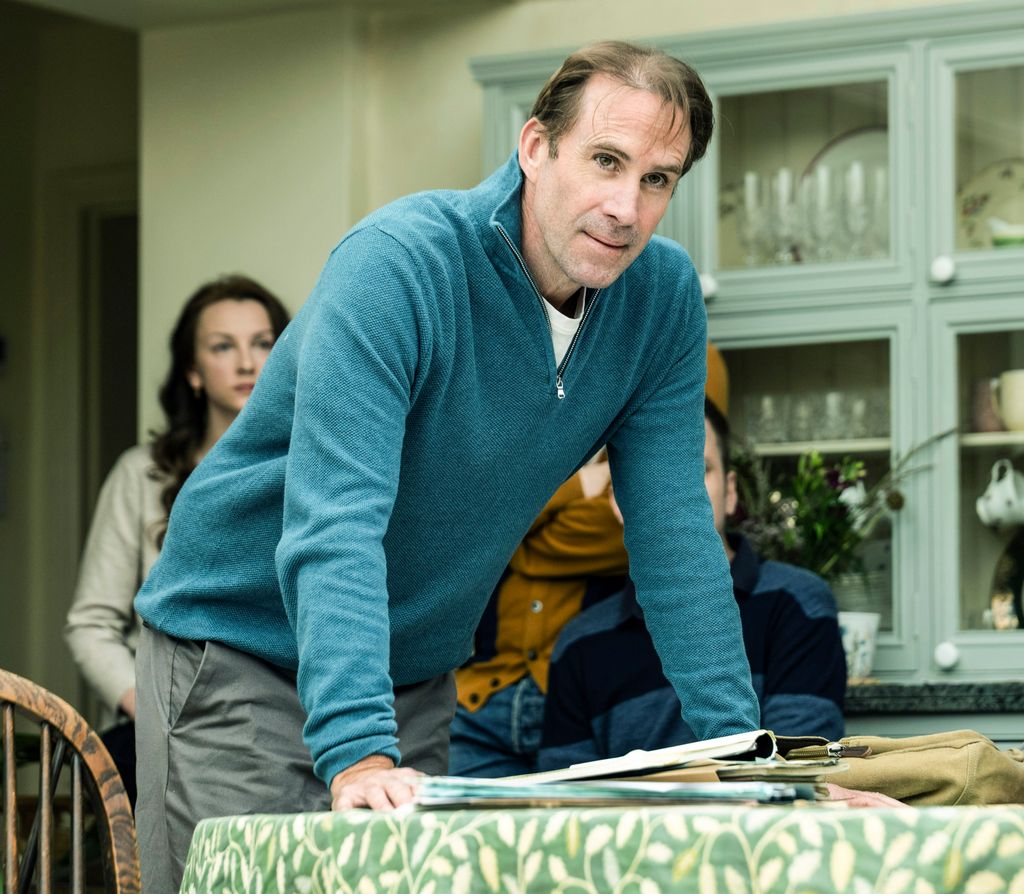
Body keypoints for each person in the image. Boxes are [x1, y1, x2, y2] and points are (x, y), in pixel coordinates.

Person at [133, 41, 762, 891]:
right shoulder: (398, 265)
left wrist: (740, 756)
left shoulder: (661, 301)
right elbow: (335, 521)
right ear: (535, 147)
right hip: (241, 647)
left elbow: (676, 532)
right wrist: (358, 751)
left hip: (412, 674)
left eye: (658, 179)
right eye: (606, 161)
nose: (626, 206)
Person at [450, 343, 730, 777]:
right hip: (481, 697)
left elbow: (661, 512)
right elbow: (481, 518)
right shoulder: (521, 345)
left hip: (586, 698)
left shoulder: (687, 346)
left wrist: (522, 527)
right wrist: (582, 482)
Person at [64, 275, 290, 805]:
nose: (246, 363)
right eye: (222, 347)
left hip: (285, 722)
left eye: (263, 343)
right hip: (168, 723)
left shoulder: (314, 465)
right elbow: (91, 625)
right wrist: (152, 707)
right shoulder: (141, 475)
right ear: (193, 371)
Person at [538, 397, 848, 771]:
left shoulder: (796, 603)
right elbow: (567, 793)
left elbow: (799, 766)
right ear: (618, 501)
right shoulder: (579, 643)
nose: (677, 493)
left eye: (697, 469)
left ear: (730, 493)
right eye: (649, 474)